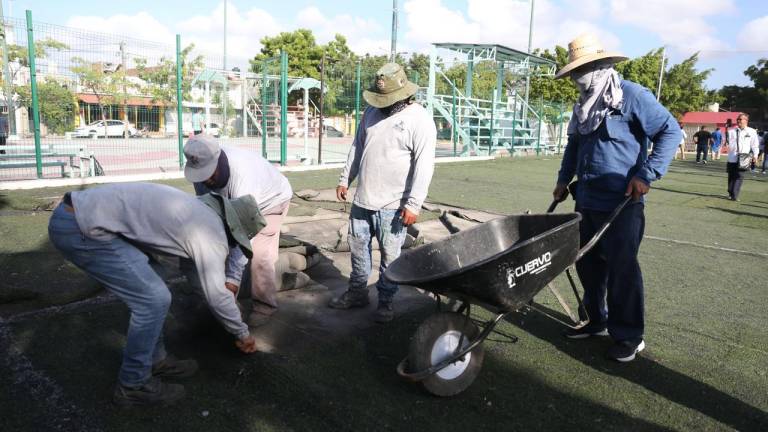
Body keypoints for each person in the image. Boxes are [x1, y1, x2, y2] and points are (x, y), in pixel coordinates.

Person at [48, 183, 264, 406]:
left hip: (83, 217)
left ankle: (155, 361)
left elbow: (199, 278)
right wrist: (241, 332)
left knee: (157, 280)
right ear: (234, 230)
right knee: (153, 300)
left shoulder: (200, 214)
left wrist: (223, 304)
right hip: (80, 228)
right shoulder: (211, 235)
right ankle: (133, 385)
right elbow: (216, 294)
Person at [551, 34, 680, 362]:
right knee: (587, 265)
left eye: (584, 69)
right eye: (574, 73)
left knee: (623, 270)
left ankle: (630, 336)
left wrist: (646, 174)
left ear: (600, 65)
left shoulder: (631, 96)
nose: (578, 78)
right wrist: (564, 180)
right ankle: (597, 321)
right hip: (587, 199)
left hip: (623, 202)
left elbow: (670, 131)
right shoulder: (583, 105)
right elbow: (574, 145)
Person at [328, 62, 436, 323]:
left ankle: (386, 301)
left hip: (393, 206)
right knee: (358, 249)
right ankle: (357, 292)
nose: (383, 103)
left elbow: (424, 165)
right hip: (363, 200)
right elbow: (358, 148)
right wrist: (346, 179)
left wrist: (414, 204)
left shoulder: (419, 120)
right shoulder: (371, 113)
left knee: (390, 256)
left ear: (403, 94)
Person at [184, 134, 293, 327]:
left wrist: (232, 279)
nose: (205, 179)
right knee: (220, 247)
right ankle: (225, 300)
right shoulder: (200, 170)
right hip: (234, 204)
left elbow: (243, 235)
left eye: (209, 173)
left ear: (217, 161)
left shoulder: (243, 179)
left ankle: (264, 305)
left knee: (260, 255)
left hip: (270, 202)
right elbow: (208, 209)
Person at [725, 113, 759, 200]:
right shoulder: (731, 131)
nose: (738, 121)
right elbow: (727, 143)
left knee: (739, 176)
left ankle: (735, 195)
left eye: (741, 119)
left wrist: (755, 155)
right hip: (732, 156)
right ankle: (730, 192)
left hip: (744, 157)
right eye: (738, 119)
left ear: (746, 121)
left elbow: (755, 145)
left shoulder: (752, 131)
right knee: (731, 176)